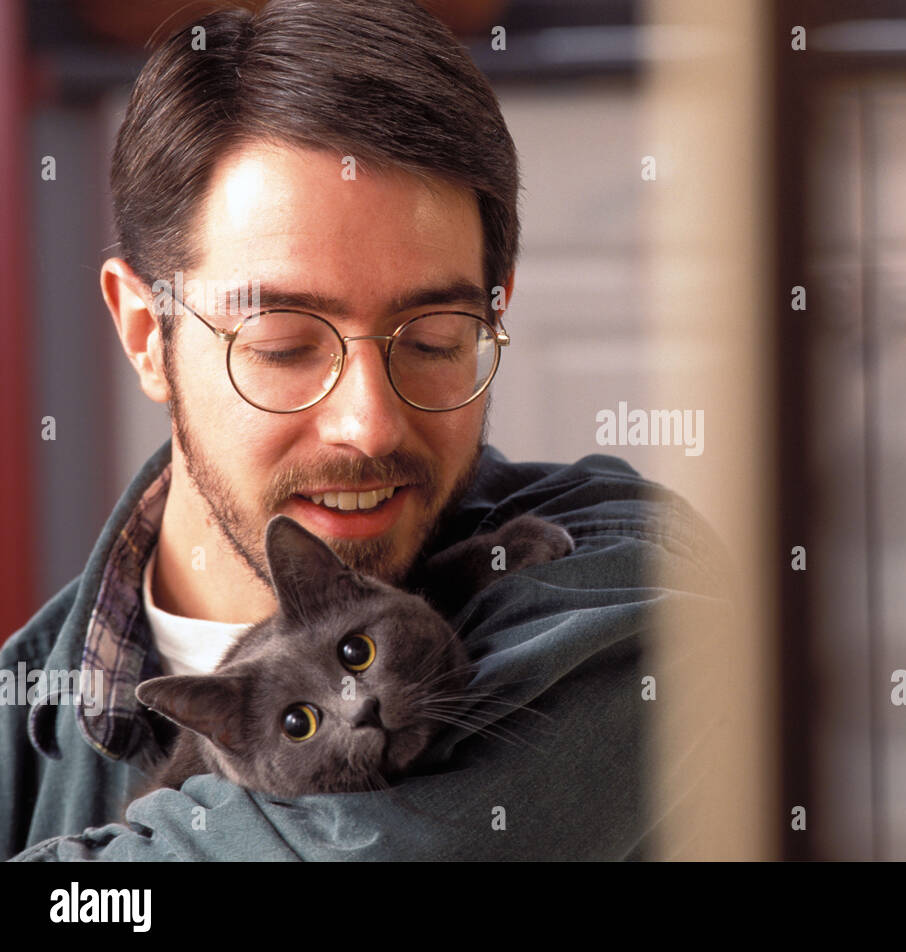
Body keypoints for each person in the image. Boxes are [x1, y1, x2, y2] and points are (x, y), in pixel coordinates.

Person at [1, 0, 727, 861]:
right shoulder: (22, 727)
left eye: (432, 342)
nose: (368, 423)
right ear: (144, 336)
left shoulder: (630, 575)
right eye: (282, 346)